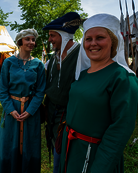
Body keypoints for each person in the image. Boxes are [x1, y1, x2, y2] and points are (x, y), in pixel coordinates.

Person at [58, 13, 138, 173]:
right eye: (88, 39)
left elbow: (119, 131)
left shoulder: (123, 78)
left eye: (100, 37)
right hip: (71, 149)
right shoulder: (83, 74)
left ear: (113, 42)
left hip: (94, 155)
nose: (93, 43)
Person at [0, 29, 46, 173]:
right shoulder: (8, 63)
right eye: (27, 39)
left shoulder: (38, 65)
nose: (31, 42)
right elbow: (3, 91)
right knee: (8, 144)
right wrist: (10, 110)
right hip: (12, 111)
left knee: (30, 145)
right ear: (20, 42)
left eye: (33, 39)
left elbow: (40, 91)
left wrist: (30, 111)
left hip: (31, 112)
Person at [42, 12, 82, 173]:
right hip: (51, 112)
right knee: (55, 149)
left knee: (65, 155)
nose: (50, 39)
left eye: (53, 35)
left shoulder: (81, 54)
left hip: (68, 116)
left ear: (64, 35)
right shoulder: (54, 57)